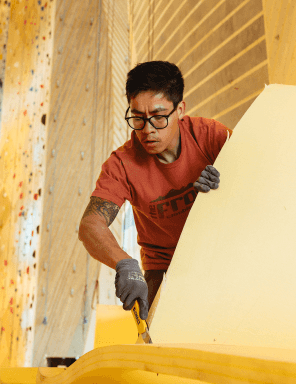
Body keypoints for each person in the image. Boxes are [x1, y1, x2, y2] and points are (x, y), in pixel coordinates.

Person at [78, 61, 232, 321]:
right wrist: (124, 264)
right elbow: (90, 225)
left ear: (180, 109)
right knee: (155, 338)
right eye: (137, 118)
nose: (147, 130)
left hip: (219, 253)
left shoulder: (210, 136)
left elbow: (259, 178)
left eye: (158, 117)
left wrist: (229, 180)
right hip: (164, 267)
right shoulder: (122, 164)